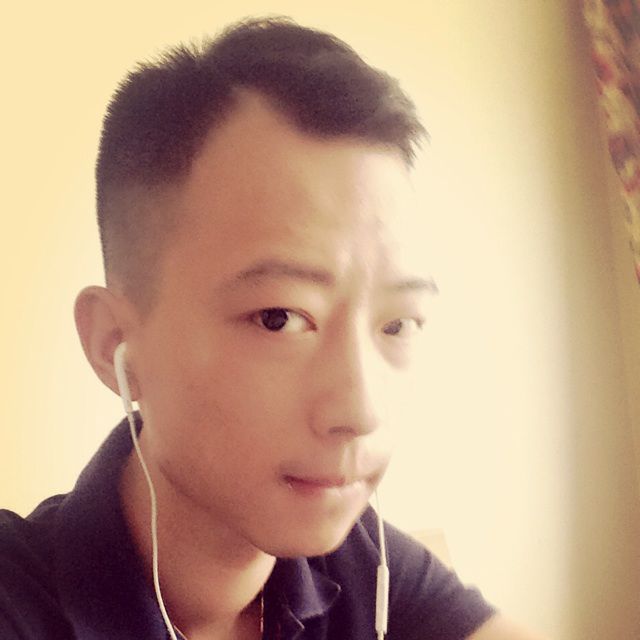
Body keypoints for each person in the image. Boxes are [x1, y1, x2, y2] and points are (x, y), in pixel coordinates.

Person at [0, 17, 543, 640]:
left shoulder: (365, 562)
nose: (361, 412)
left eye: (396, 324)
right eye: (279, 318)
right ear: (113, 343)